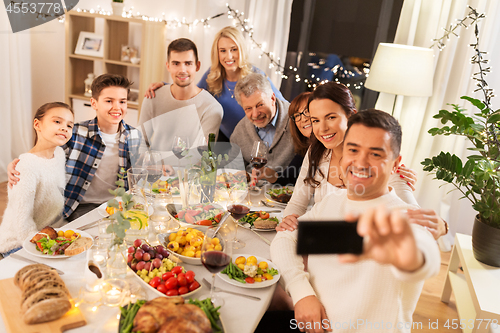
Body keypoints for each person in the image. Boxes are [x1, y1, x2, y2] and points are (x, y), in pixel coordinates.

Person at [268, 109, 441, 333]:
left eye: (375, 154)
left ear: (395, 163)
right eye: (353, 149)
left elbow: (422, 257)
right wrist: (302, 293)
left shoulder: (406, 217)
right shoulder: (331, 202)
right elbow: (283, 239)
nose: (360, 162)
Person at [8, 74, 142, 221]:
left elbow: (141, 174)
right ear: (94, 103)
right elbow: (43, 154)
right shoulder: (75, 132)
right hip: (80, 207)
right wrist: (19, 164)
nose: (117, 107)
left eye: (122, 101)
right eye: (109, 101)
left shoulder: (135, 136)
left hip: (119, 207)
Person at [145, 26, 285, 141]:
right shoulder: (212, 75)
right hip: (224, 140)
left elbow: (283, 105)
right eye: (222, 51)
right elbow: (192, 94)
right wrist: (165, 86)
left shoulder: (256, 75)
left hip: (255, 139)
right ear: (217, 53)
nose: (228, 56)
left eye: (233, 49)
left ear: (241, 50)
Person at [0, 102, 74, 259]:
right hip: (19, 243)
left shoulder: (59, 154)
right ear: (37, 124)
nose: (64, 128)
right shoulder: (26, 166)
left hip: (49, 234)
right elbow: (22, 224)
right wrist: (51, 248)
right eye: (57, 121)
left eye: (69, 125)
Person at [139, 38, 223, 147]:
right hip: (154, 163)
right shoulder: (153, 97)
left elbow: (202, 154)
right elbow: (140, 141)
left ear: (197, 66)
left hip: (189, 165)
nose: (182, 70)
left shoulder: (211, 108)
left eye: (188, 63)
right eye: (176, 63)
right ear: (168, 66)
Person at [230, 73, 295, 175]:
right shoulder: (239, 131)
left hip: (287, 189)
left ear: (272, 98)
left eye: (260, 105)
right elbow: (234, 171)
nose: (255, 114)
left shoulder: (296, 120)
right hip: (252, 189)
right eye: (248, 108)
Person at [252, 91, 312, 186]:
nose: (303, 119)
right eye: (297, 115)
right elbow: (289, 179)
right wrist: (269, 173)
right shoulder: (306, 149)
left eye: (307, 111)